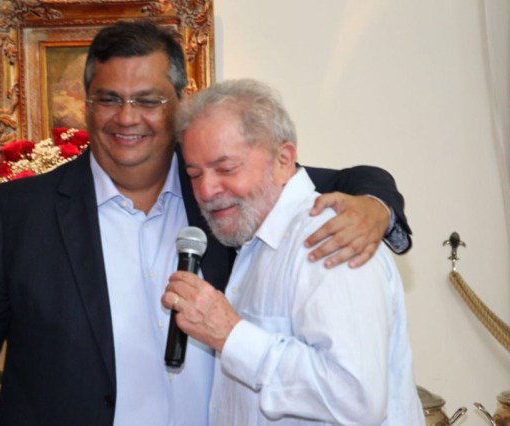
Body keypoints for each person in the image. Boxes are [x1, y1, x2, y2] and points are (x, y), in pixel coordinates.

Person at [0, 22, 412, 425]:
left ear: (179, 101)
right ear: (86, 105)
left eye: (148, 100)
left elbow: (350, 177)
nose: (127, 117)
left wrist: (375, 207)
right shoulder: (21, 213)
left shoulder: (221, 193)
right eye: (109, 99)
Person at [162, 78, 423, 425]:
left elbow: (356, 398)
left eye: (226, 168)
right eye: (195, 174)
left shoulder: (331, 236)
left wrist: (231, 335)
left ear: (283, 160)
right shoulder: (253, 241)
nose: (207, 190)